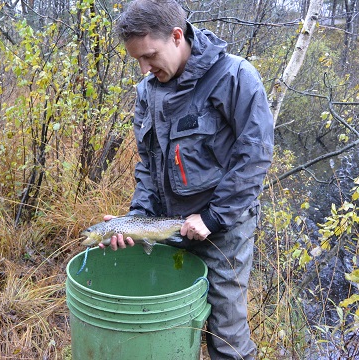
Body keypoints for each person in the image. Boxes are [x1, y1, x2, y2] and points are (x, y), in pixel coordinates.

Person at [101, 0, 274, 358]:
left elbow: (255, 156)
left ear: (177, 36)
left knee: (225, 334)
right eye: (137, 60)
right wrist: (137, 218)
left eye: (149, 56)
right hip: (168, 229)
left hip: (224, 232)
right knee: (167, 325)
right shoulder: (146, 92)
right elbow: (148, 165)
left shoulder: (234, 77)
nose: (145, 68)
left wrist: (212, 218)